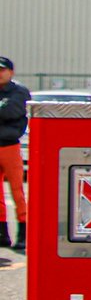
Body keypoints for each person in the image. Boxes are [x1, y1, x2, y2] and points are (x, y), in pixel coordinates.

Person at [0, 56, 30, 251]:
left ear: (11, 72)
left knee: (18, 192)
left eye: (2, 70)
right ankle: (3, 234)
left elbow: (11, 111)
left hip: (10, 147)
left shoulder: (19, 91)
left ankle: (23, 234)